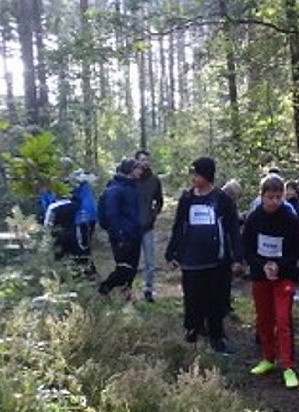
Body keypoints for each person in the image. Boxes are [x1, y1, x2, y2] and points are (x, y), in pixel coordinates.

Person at [165, 157, 242, 352]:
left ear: (207, 175)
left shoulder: (222, 199)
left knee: (215, 299)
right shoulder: (187, 198)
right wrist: (172, 252)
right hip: (191, 258)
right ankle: (193, 329)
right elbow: (178, 226)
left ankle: (216, 336)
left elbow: (233, 228)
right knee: (192, 296)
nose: (193, 178)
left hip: (216, 259)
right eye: (192, 173)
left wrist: (237, 257)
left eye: (197, 174)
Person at [242, 174, 299, 389]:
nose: (274, 201)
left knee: (282, 319)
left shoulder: (290, 218)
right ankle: (268, 358)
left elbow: (297, 250)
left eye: (279, 197)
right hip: (261, 275)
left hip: (284, 276)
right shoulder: (254, 217)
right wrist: (261, 265)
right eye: (270, 197)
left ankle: (288, 366)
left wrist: (279, 265)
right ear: (262, 196)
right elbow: (247, 247)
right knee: (264, 319)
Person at [98, 158, 145, 297]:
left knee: (132, 269)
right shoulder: (115, 189)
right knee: (124, 269)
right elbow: (111, 215)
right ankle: (103, 290)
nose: (141, 171)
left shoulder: (134, 187)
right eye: (138, 168)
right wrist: (118, 235)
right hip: (122, 236)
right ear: (131, 170)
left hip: (135, 235)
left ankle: (126, 297)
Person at [134, 150, 164, 302]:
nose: (146, 162)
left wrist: (153, 214)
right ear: (137, 162)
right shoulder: (132, 179)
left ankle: (148, 289)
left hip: (148, 225)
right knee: (132, 260)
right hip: (132, 226)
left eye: (147, 159)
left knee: (150, 261)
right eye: (142, 160)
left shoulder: (154, 180)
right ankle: (128, 290)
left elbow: (159, 201)